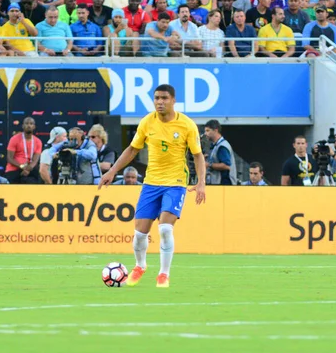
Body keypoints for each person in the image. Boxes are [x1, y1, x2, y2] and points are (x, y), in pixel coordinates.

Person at [98, 84, 206, 289]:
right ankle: (140, 266)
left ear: (173, 100)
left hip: (175, 184)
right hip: (150, 183)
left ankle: (164, 274)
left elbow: (198, 155)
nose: (160, 102)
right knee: (139, 234)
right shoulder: (147, 122)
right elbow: (132, 149)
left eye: (164, 98)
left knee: (165, 228)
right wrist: (112, 171)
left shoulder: (187, 125)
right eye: (156, 98)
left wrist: (201, 183)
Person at [5, 117, 42, 184]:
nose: (29, 125)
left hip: (30, 169)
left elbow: (35, 160)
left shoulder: (38, 141)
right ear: (23, 126)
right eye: (26, 123)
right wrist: (22, 167)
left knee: (38, 175)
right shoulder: (14, 139)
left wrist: (28, 168)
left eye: (31, 124)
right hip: (15, 169)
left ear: (34, 127)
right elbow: (9, 158)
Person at [203, 119, 236, 185]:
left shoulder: (222, 146)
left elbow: (226, 166)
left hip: (224, 184)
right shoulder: (216, 145)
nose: (205, 134)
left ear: (215, 130)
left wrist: (209, 165)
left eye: (208, 131)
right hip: (219, 183)